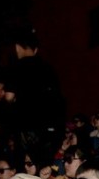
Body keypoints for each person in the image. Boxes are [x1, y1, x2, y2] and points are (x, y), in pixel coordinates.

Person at [5, 27, 66, 155]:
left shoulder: (17, 67)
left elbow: (9, 97)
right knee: (44, 163)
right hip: (50, 124)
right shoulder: (48, 68)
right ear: (36, 49)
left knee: (28, 163)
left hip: (27, 125)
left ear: (17, 47)